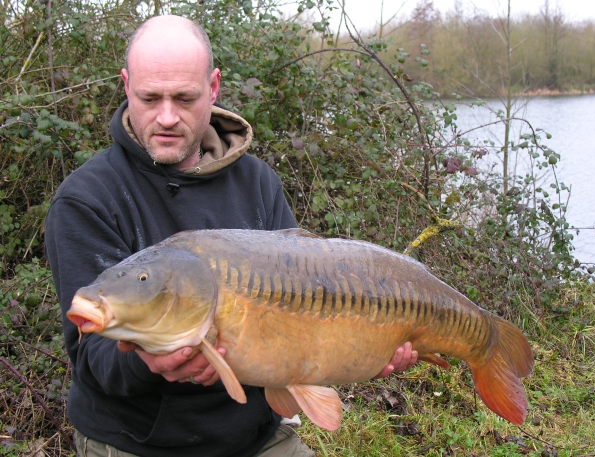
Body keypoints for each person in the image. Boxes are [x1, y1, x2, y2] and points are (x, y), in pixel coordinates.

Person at [45, 15, 418, 457]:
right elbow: (92, 361)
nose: (166, 116)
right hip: (139, 442)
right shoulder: (87, 199)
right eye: (149, 97)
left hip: (254, 434)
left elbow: (303, 320)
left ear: (214, 87)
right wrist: (149, 363)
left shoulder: (258, 182)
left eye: (185, 98)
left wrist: (366, 350)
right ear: (126, 86)